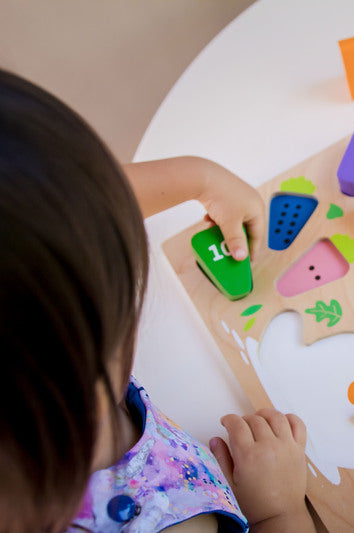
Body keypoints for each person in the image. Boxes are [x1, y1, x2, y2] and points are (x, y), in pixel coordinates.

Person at [0, 68, 315, 533]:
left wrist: (199, 178)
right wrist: (279, 510)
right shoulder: (167, 522)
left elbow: (48, 208)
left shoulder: (34, 357)